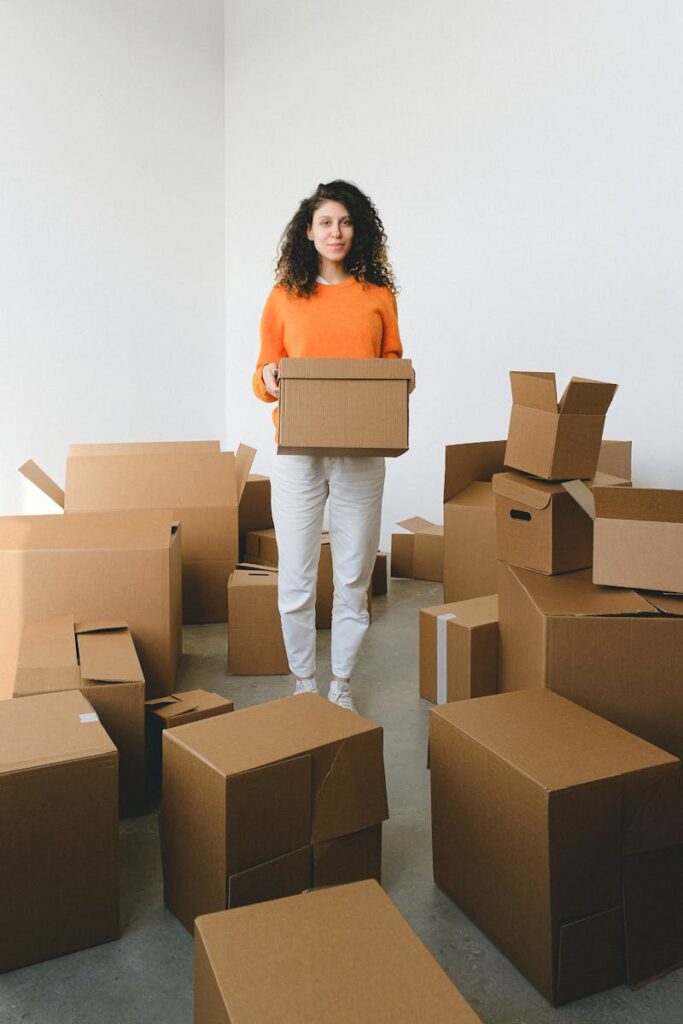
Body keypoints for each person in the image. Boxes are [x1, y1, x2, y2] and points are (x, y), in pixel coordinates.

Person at [253, 179, 411, 712]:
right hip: (298, 451)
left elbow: (393, 362)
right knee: (296, 573)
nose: (336, 232)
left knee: (352, 573)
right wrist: (269, 377)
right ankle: (303, 682)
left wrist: (402, 382)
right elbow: (261, 373)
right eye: (326, 222)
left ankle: (340, 683)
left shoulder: (377, 296)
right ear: (308, 230)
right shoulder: (283, 297)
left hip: (362, 455)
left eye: (345, 222)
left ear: (357, 229)